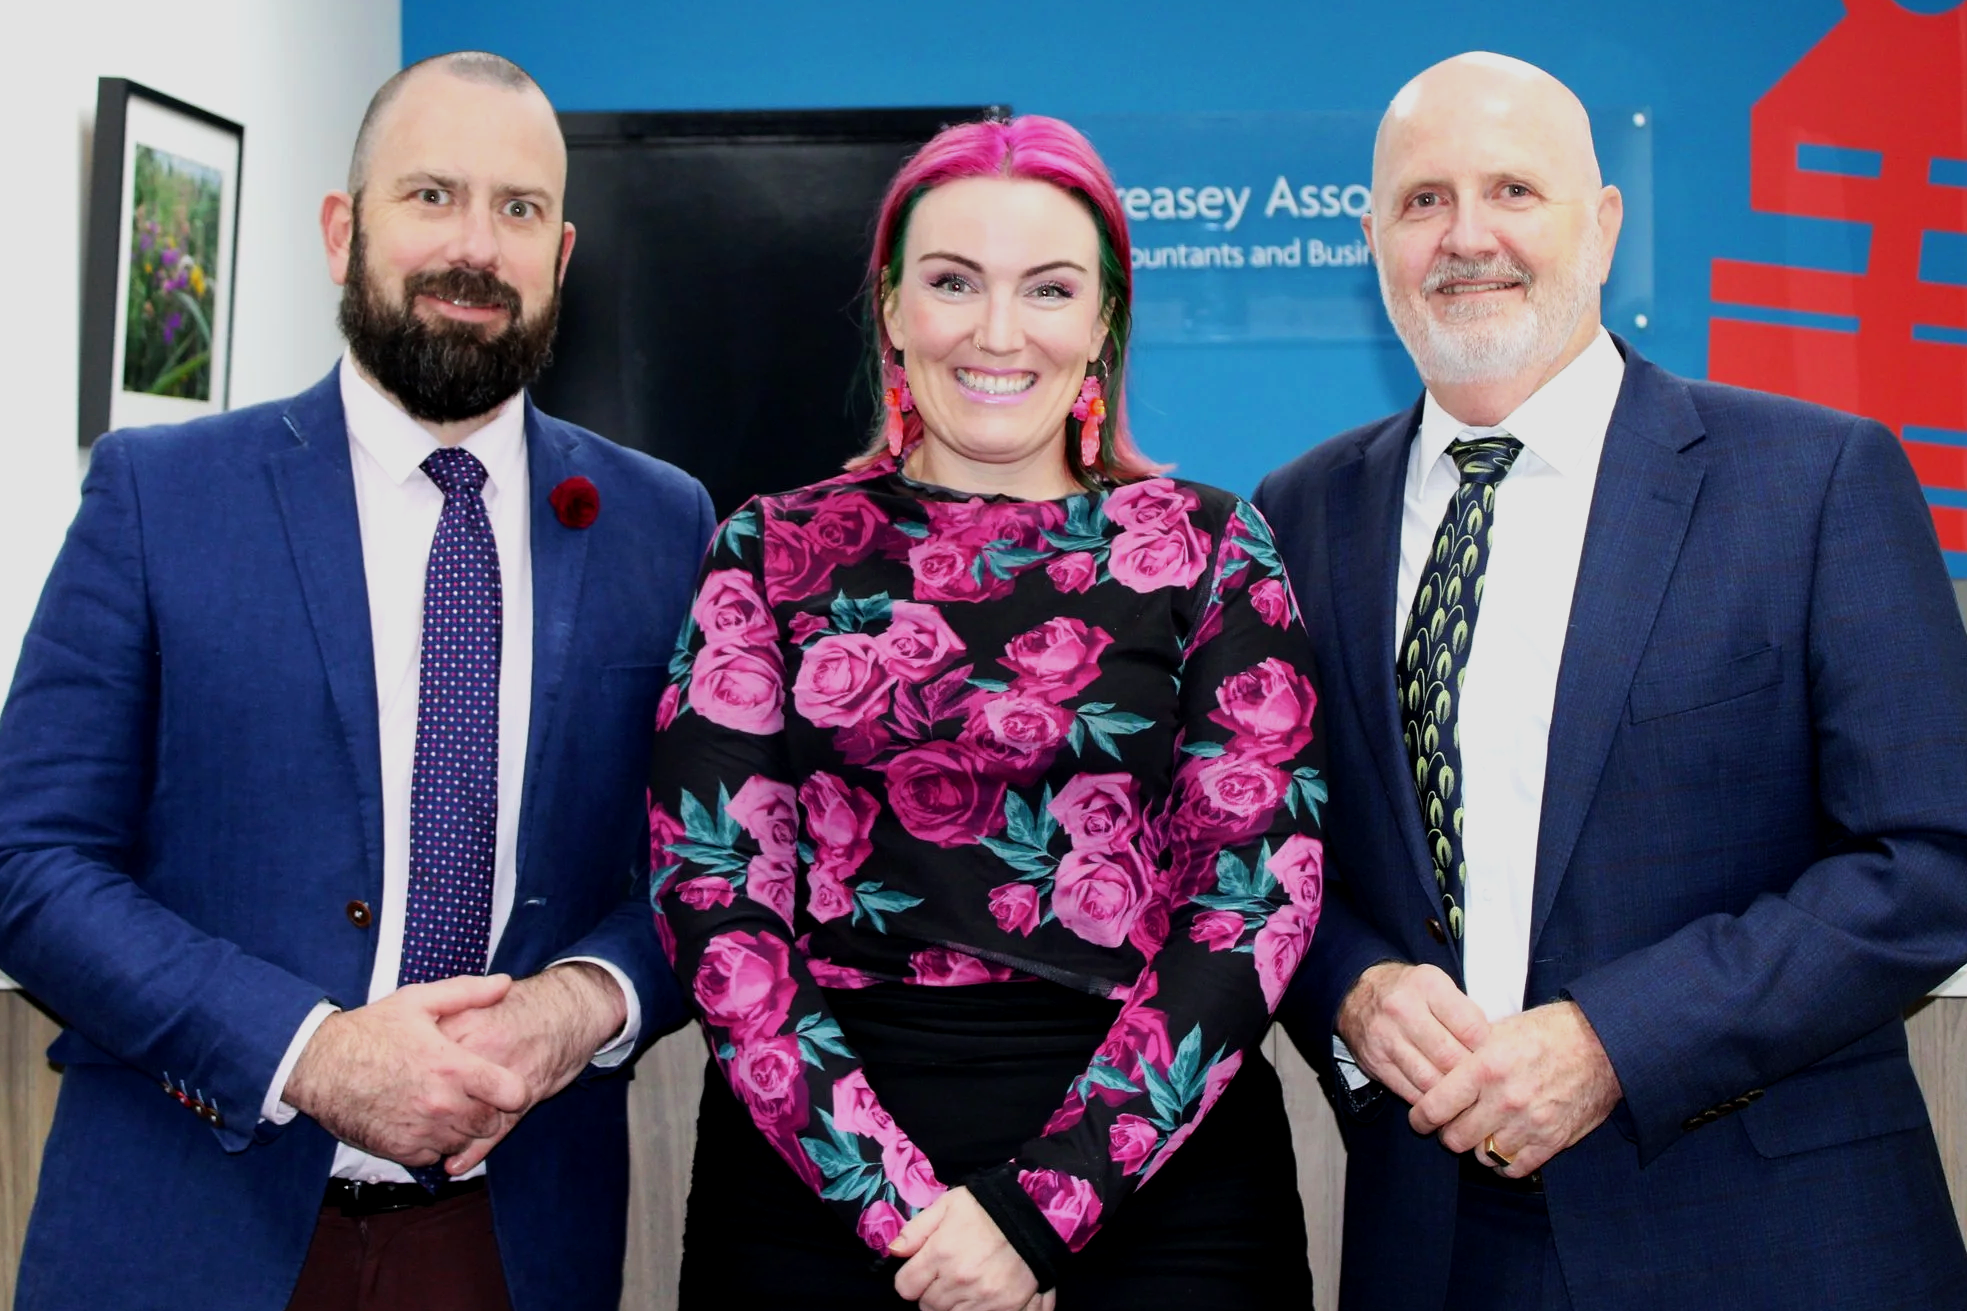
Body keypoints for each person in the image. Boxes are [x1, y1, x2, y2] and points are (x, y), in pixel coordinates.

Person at [1254, 50, 1967, 1311]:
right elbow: (1267, 847)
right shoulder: (1298, 515)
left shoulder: (1814, 480)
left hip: (1763, 1236)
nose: (1465, 237)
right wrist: (1353, 989)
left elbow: (1927, 859)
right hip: (1430, 1243)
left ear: (1602, 221)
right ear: (1367, 239)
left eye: (1513, 190)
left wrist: (1610, 1043)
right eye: (1422, 201)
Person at [0, 52, 712, 1311]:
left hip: (511, 1239)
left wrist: (578, 1005)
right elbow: (31, 861)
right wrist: (308, 1053)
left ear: (561, 254)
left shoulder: (663, 527)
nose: (475, 247)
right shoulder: (159, 498)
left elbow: (696, 868)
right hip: (183, 1225)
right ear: (344, 230)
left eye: (518, 209)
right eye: (430, 196)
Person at [648, 114, 1325, 1311]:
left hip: (1156, 1183)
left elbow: (1257, 899)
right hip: (815, 1175)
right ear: (893, 310)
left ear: (1104, 321)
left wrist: (1036, 1213)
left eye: (1048, 289)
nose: (997, 332)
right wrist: (898, 1211)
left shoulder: (1217, 549)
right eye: (953, 282)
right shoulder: (768, 548)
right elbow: (712, 897)